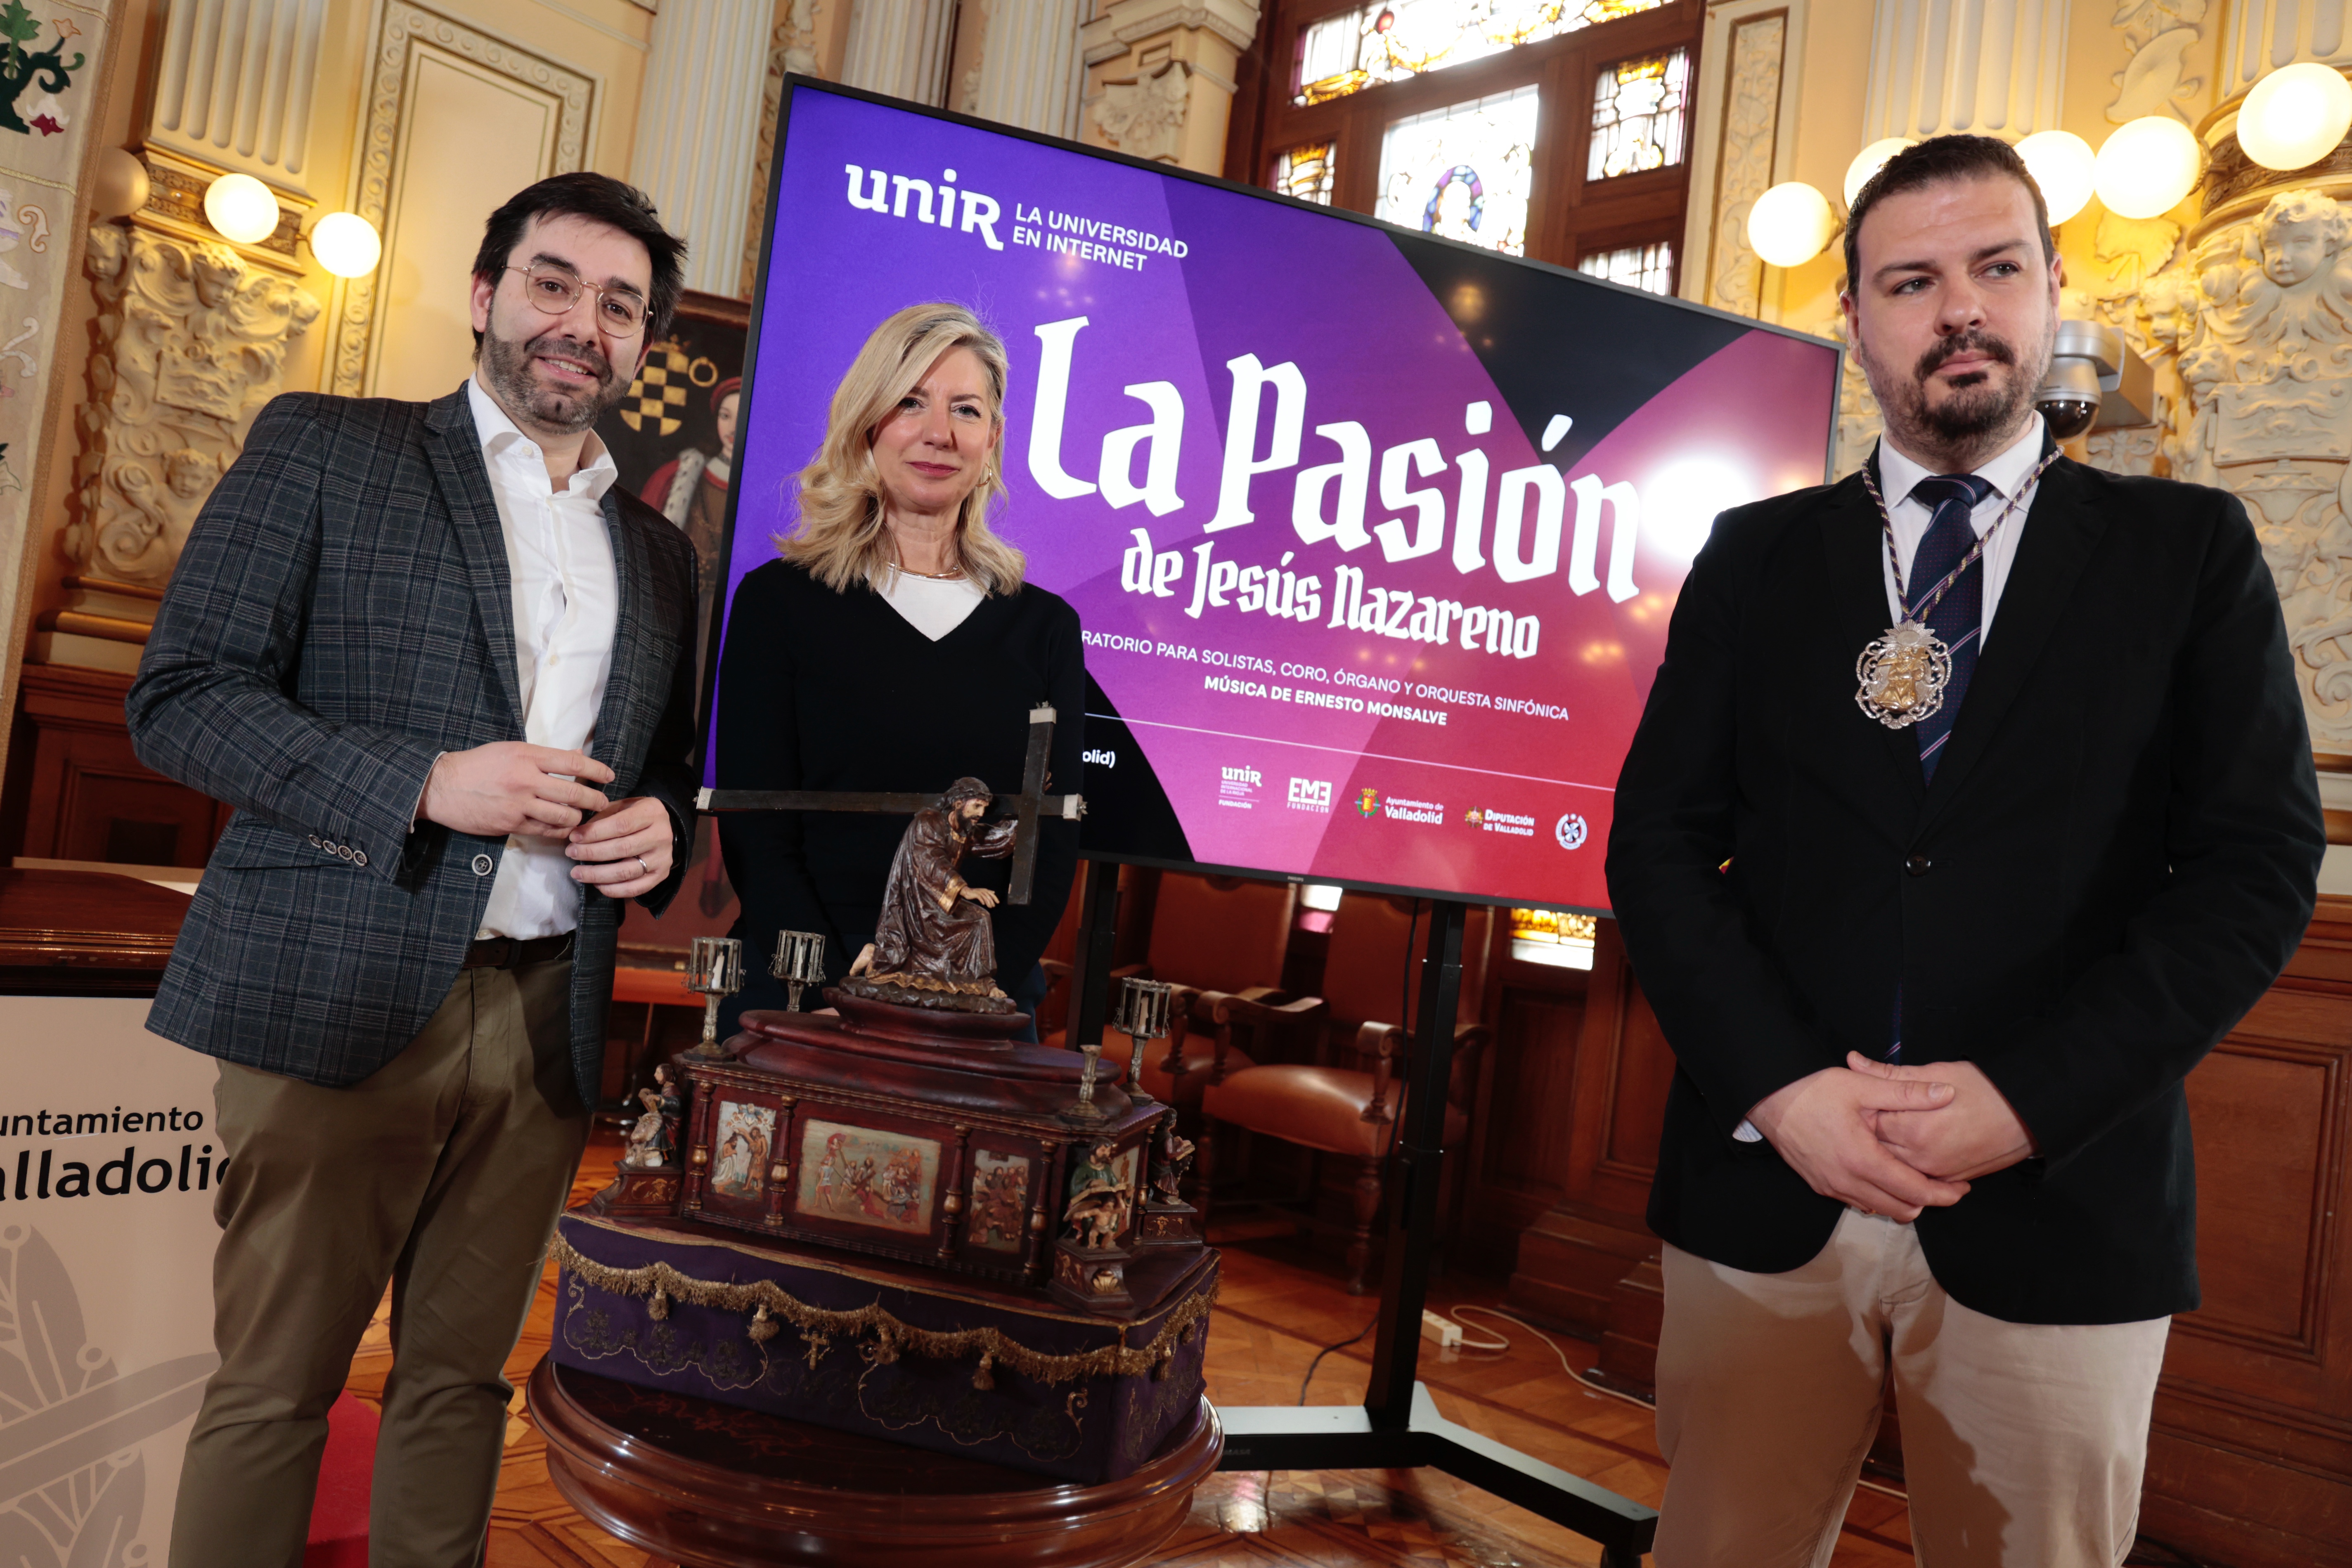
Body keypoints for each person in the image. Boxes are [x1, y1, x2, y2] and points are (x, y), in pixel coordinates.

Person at [1605, 134, 2325, 1567]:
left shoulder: (2184, 551)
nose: (1959, 311)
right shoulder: (1753, 557)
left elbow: (2251, 867)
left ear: (2051, 287)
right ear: (1853, 318)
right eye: (1910, 281)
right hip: (1769, 1186)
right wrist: (1782, 1090)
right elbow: (1659, 847)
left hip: (2058, 1197)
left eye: (1995, 268)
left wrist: (2026, 1101)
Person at [125, 172, 699, 1568]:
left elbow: (661, 769)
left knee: (461, 1388)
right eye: (554, 283)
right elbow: (184, 699)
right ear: (486, 293)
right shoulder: (329, 447)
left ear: (642, 342)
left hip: (549, 1014)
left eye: (619, 306)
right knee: (275, 1389)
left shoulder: (660, 555)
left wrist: (658, 831)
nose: (582, 324)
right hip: (340, 984)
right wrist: (426, 783)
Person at [713, 303, 1082, 1040]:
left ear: (992, 439)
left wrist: (974, 994)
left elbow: (1051, 844)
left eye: (966, 410)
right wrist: (835, 984)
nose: (939, 432)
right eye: (911, 401)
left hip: (981, 1004)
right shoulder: (777, 603)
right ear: (867, 423)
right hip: (800, 989)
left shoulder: (1045, 628)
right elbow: (758, 826)